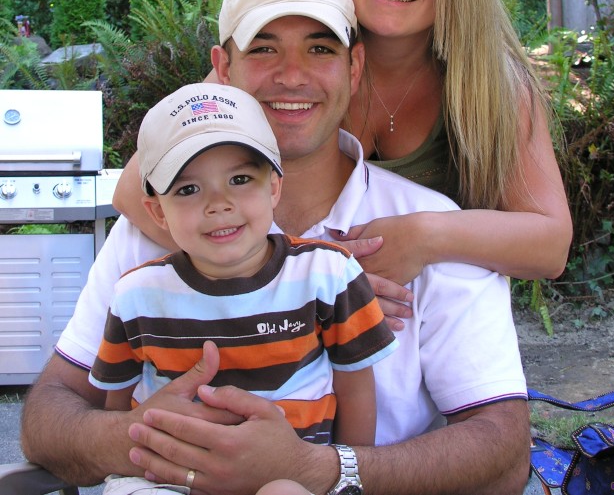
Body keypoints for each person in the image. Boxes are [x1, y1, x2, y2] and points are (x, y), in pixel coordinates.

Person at [22, 0, 530, 495]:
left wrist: (322, 471)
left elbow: (502, 446)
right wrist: (148, 436)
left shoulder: (427, 232)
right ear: (223, 69)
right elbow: (46, 418)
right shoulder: (155, 232)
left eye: (319, 48)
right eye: (264, 49)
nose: (292, 75)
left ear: (354, 68)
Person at [114, 0, 572, 297]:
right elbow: (135, 192)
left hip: (423, 329)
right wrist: (301, 281)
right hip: (270, 321)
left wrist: (424, 232)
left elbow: (551, 244)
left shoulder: (490, 82)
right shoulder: (272, 61)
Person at [89, 82, 396, 495]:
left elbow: (356, 390)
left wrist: (340, 479)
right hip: (167, 478)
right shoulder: (135, 295)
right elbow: (116, 413)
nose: (218, 203)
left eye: (239, 178)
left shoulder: (329, 275)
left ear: (273, 186)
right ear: (157, 211)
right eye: (188, 189)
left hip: (287, 475)